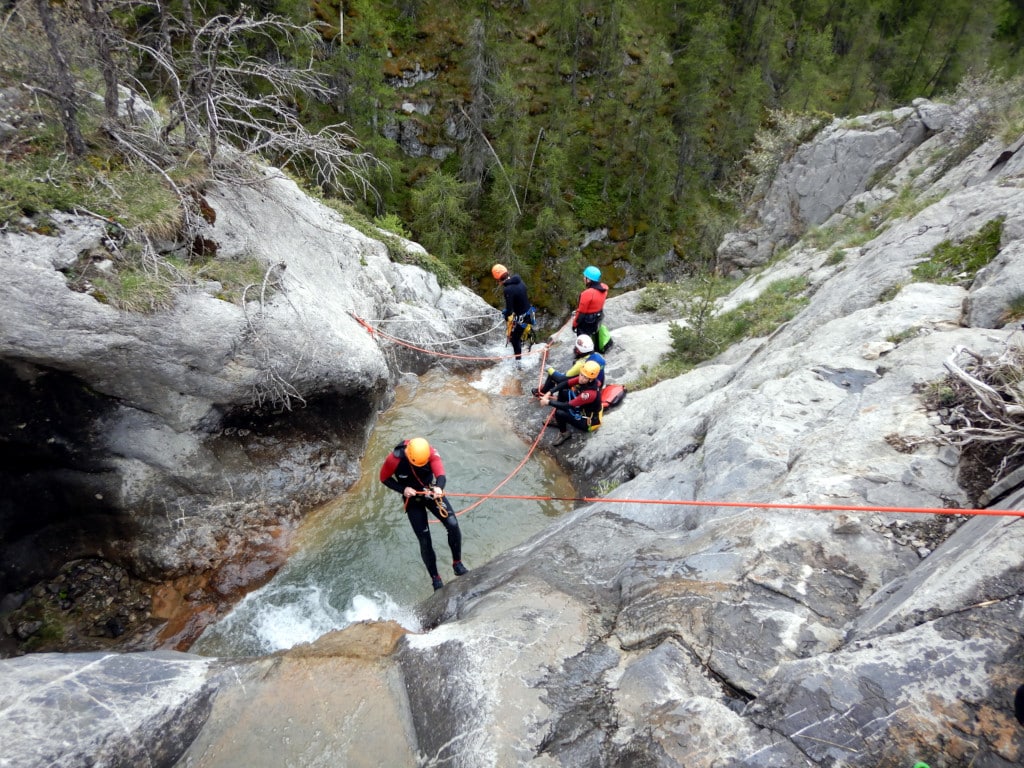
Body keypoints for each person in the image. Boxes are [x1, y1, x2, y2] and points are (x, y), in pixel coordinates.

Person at [379, 437, 469, 591]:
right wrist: (403, 490)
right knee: (424, 539)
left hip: (430, 491)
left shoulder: (430, 452)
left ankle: (457, 563)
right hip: (412, 499)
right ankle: (436, 578)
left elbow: (440, 474)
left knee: (453, 524)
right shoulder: (394, 459)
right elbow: (384, 478)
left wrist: (439, 488)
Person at [537, 360, 604, 447]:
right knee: (563, 391)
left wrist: (548, 402)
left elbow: (567, 406)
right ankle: (558, 420)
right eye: (581, 374)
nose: (581, 378)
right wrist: (549, 392)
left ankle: (564, 433)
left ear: (591, 379)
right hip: (585, 408)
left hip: (589, 422)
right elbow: (565, 383)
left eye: (584, 377)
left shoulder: (589, 394)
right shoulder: (585, 379)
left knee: (559, 413)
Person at [532, 334, 605, 397]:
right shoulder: (597, 356)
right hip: (596, 385)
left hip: (584, 389)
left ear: (578, 350)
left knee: (553, 375)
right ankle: (546, 391)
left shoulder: (581, 363)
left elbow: (561, 379)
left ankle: (543, 392)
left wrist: (548, 368)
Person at [492, 264, 535, 362]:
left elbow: (509, 310)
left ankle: (518, 361)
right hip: (528, 313)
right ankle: (519, 351)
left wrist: (506, 314)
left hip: (523, 317)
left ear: (498, 280)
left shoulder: (508, 290)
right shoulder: (519, 281)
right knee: (515, 335)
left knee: (514, 339)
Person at [573, 266, 609, 342]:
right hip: (597, 318)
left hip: (587, 322)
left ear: (588, 279)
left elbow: (581, 313)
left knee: (583, 340)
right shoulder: (604, 289)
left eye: (585, 277)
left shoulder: (586, 294)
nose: (583, 278)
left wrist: (574, 325)